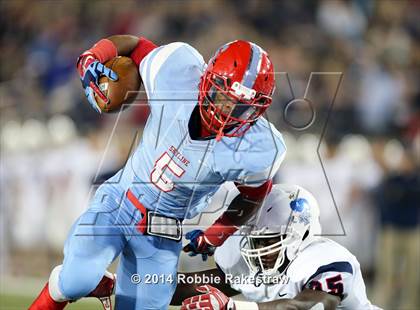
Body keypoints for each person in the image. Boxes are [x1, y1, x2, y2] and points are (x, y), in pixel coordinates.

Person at [29, 35, 286, 309]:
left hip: (163, 232)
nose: (227, 110)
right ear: (207, 79)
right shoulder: (177, 73)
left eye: (240, 106)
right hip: (120, 201)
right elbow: (136, 45)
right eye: (223, 96)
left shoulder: (258, 148)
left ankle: (106, 282)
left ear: (256, 110)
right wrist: (92, 56)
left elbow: (255, 193)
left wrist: (217, 233)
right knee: (75, 281)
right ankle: (69, 283)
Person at [174, 184, 380, 310]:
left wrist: (232, 307)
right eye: (256, 240)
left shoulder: (328, 261)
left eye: (269, 240)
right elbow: (191, 286)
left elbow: (311, 306)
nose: (259, 250)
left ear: (301, 234)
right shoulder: (255, 267)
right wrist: (145, 277)